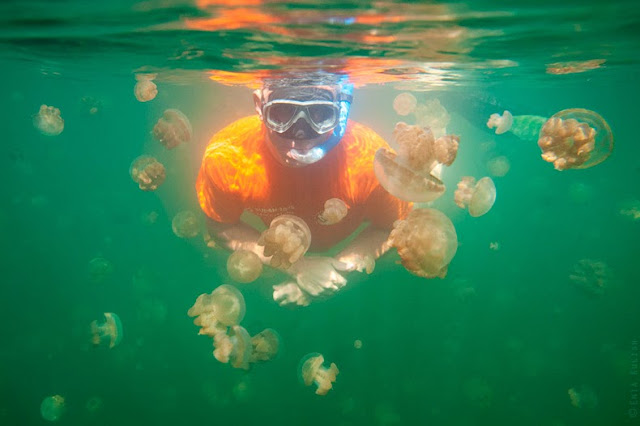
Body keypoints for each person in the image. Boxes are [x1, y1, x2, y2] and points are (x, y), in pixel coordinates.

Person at [196, 72, 409, 306]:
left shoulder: (370, 161)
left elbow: (393, 228)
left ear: (340, 112)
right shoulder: (227, 156)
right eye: (282, 112)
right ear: (259, 105)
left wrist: (333, 272)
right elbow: (220, 225)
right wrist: (299, 268)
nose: (299, 137)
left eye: (320, 113)